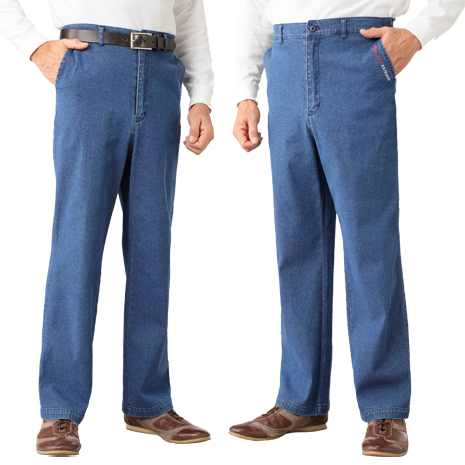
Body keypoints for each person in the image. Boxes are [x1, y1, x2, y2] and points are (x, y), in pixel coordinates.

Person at [230, 0, 464, 457]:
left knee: (369, 243)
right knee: (297, 244)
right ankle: (300, 401)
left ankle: (384, 408)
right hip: (285, 60)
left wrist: (417, 32)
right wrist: (245, 92)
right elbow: (254, 9)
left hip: (357, 56)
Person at [0, 0, 214, 455]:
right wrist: (34, 46)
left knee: (152, 250)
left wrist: (200, 98)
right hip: (91, 69)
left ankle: (148, 402)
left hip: (161, 75)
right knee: (76, 247)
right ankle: (60, 409)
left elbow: (189, 15)